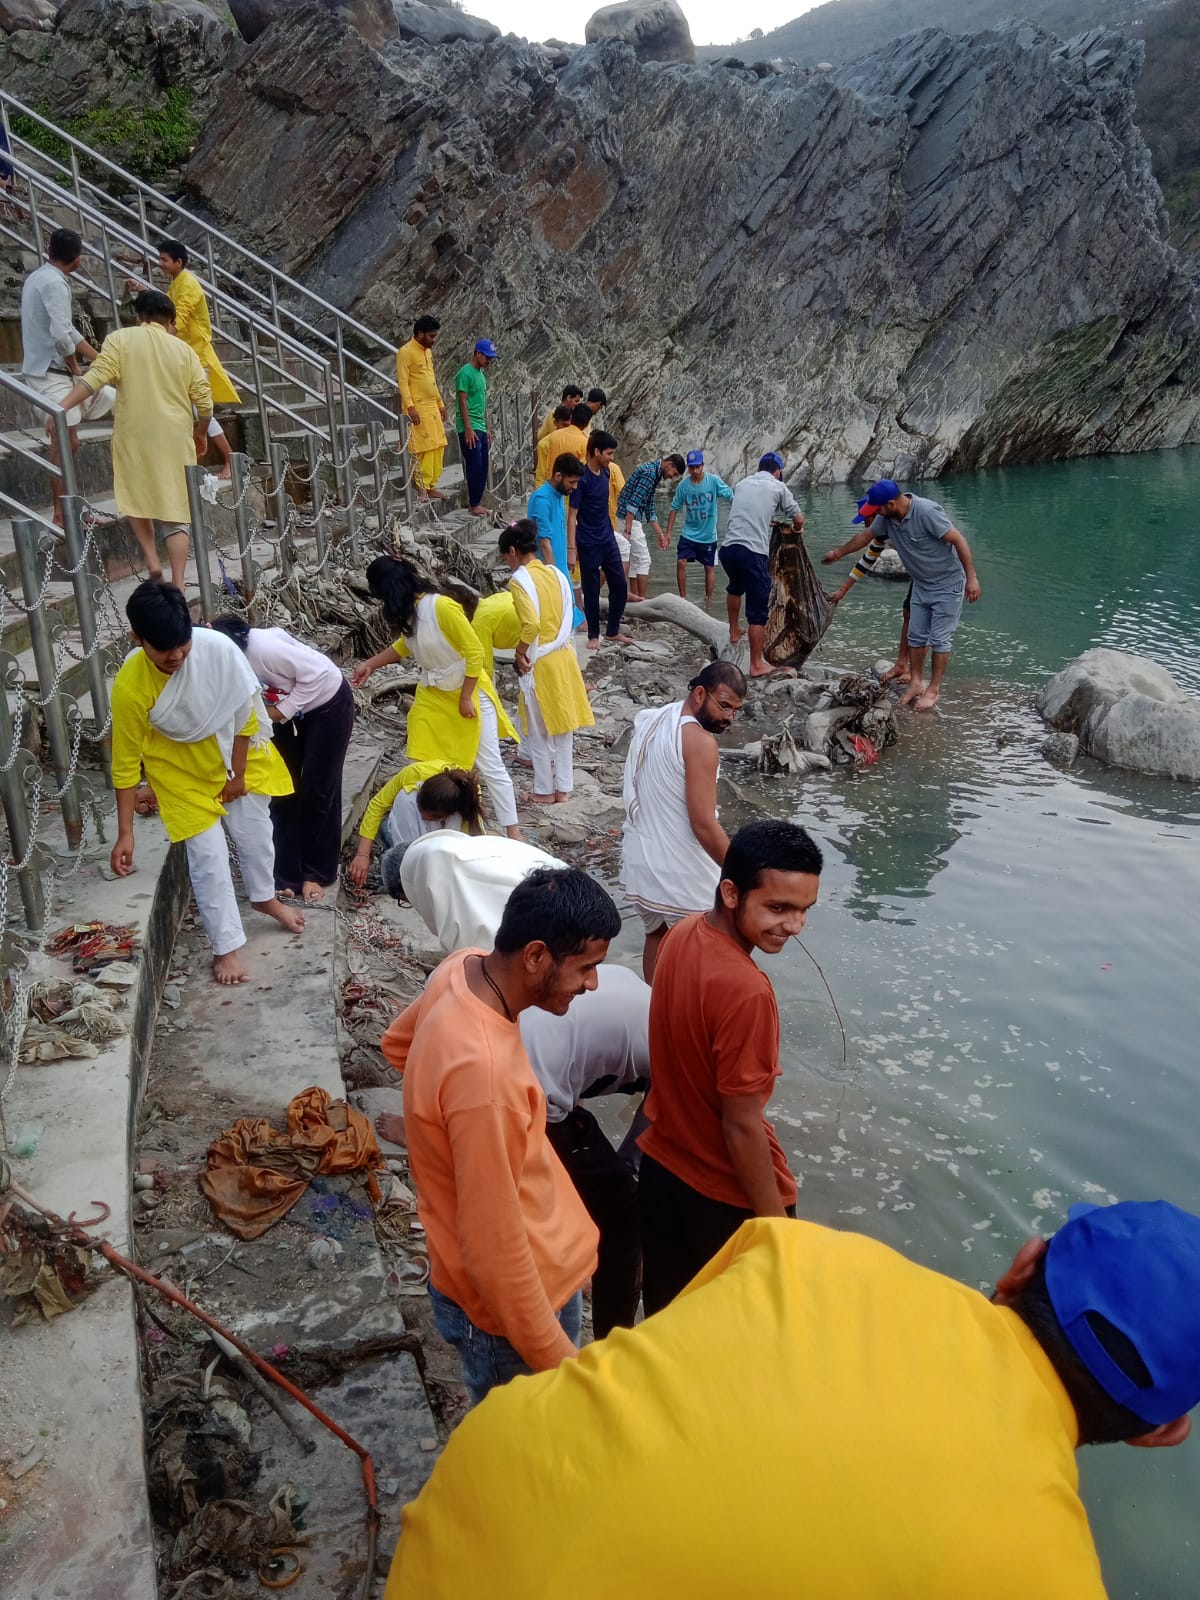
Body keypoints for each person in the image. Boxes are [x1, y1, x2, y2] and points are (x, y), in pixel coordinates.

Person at [382, 1199, 1200, 1600]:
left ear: (1023, 1264)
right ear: (1164, 1430)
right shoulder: (1053, 1576)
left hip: (462, 1521)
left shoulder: (799, 1250)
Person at [378, 867, 621, 1403]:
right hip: (510, 1313)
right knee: (526, 1451)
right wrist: (563, 1367)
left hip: (529, 1275)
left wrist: (442, 1137)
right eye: (586, 968)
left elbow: (398, 1044)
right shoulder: (483, 1079)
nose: (593, 985)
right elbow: (494, 1254)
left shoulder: (460, 969)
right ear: (536, 956)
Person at [638, 818, 822, 1314]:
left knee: (667, 1326)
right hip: (721, 1196)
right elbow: (741, 1126)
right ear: (732, 892)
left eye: (805, 910)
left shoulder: (678, 935)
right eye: (778, 907)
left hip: (661, 1170)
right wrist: (775, 1231)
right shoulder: (748, 991)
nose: (793, 926)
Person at [110, 581, 302, 986]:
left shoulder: (216, 649)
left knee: (257, 835)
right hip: (179, 773)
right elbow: (126, 764)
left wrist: (238, 776)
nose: (177, 656)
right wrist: (125, 833)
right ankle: (226, 946)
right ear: (137, 638)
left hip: (237, 755)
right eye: (164, 652)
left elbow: (246, 715)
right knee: (208, 859)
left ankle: (265, 898)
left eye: (183, 646)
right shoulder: (129, 686)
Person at [520, 964, 651, 1337]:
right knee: (624, 1211)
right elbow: (639, 1152)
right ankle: (614, 1339)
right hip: (532, 1089)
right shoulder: (685, 1053)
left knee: (590, 1168)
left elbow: (585, 1049)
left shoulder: (643, 995)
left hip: (518, 1042)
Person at [350, 555, 520, 838]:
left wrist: (466, 697)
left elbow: (474, 652)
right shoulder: (412, 612)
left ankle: (513, 833)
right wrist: (371, 663)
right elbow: (405, 645)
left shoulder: (441, 606)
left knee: (489, 763)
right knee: (428, 761)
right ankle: (439, 825)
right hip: (434, 695)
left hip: (469, 690)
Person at [57, 290, 211, 589]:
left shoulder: (120, 340)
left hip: (134, 435)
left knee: (136, 497)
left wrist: (60, 408)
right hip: (176, 436)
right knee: (176, 511)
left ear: (139, 316)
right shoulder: (184, 351)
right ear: (171, 320)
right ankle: (178, 584)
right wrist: (201, 432)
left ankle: (153, 561)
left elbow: (95, 378)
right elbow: (204, 403)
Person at [210, 616, 354, 905]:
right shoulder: (221, 663)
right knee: (283, 788)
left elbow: (319, 673)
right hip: (287, 712)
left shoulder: (262, 650)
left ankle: (317, 872)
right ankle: (285, 873)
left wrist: (281, 711)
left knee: (318, 788)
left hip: (328, 703)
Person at [620, 661, 746, 982]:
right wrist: (743, 874)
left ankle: (652, 1012)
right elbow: (703, 824)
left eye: (736, 710)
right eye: (724, 705)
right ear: (700, 693)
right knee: (709, 949)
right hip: (680, 874)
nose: (729, 717)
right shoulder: (701, 743)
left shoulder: (656, 719)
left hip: (641, 864)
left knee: (657, 936)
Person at [822, 479, 981, 710]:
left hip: (947, 583)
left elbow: (958, 539)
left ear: (890, 504)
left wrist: (972, 578)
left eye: (877, 510)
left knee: (939, 639)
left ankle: (933, 689)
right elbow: (865, 538)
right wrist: (838, 553)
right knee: (915, 636)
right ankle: (916, 682)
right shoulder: (887, 519)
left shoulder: (926, 512)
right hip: (920, 583)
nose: (875, 516)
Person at [499, 520, 594, 803]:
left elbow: (531, 625)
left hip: (541, 662)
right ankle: (563, 789)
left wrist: (519, 652)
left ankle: (543, 790)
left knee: (539, 732)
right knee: (563, 728)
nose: (507, 563)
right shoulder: (555, 574)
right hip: (564, 655)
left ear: (513, 551)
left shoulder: (519, 581)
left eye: (506, 557)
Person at [20, 227, 101, 527]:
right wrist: (77, 368)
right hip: (48, 372)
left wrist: (98, 358)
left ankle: (71, 507)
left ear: (48, 249)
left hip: (48, 370)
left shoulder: (40, 277)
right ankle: (60, 513)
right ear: (77, 260)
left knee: (72, 441)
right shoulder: (55, 284)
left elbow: (68, 330)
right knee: (64, 443)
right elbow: (62, 339)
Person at [720, 451, 805, 678]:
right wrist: (796, 531)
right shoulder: (778, 487)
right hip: (752, 553)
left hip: (728, 549)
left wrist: (770, 522)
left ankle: (734, 630)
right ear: (777, 471)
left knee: (735, 586)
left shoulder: (742, 483)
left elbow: (749, 512)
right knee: (757, 612)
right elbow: (798, 519)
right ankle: (756, 664)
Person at [348, 763, 482, 896]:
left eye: (433, 817)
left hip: (440, 835)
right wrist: (362, 854)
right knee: (406, 796)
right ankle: (405, 855)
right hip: (406, 822)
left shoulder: (467, 802)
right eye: (421, 810)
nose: (424, 817)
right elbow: (377, 806)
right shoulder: (412, 774)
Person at [823, 497, 912, 683]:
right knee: (908, 613)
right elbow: (866, 561)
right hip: (919, 574)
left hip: (933, 574)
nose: (865, 524)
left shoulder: (900, 524)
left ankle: (913, 672)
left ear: (878, 513)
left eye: (866, 519)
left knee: (919, 617)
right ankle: (904, 664)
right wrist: (842, 591)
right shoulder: (883, 533)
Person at [156, 240, 241, 413]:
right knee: (193, 407)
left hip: (196, 352)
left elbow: (180, 316)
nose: (160, 264)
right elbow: (167, 305)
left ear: (178, 262)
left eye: (164, 260)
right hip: (184, 351)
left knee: (199, 407)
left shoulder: (188, 283)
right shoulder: (177, 282)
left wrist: (161, 339)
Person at [568, 431, 630, 650]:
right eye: (609, 453)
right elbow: (572, 515)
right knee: (592, 590)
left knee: (620, 585)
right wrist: (571, 548)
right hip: (588, 541)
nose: (612, 457)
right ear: (596, 452)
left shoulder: (606, 472)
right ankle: (593, 634)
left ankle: (612, 631)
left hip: (607, 538)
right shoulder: (582, 479)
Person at [666, 449, 734, 605]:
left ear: (703, 465)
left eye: (697, 466)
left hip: (708, 535)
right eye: (691, 467)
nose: (695, 471)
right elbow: (674, 508)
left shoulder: (713, 481)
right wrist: (668, 533)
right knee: (681, 562)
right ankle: (683, 599)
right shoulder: (683, 486)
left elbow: (731, 496)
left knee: (709, 567)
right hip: (689, 533)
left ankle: (708, 601)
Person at [396, 313, 449, 500]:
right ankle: (421, 488)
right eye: (431, 336)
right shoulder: (405, 352)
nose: (434, 340)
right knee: (423, 448)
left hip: (432, 406)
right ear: (420, 334)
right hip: (417, 407)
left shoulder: (428, 352)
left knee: (439, 446)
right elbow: (403, 382)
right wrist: (410, 407)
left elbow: (431, 380)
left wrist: (441, 403)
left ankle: (431, 485)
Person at [528, 453, 584, 627]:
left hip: (559, 567)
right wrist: (553, 578)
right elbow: (544, 542)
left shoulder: (559, 496)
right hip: (549, 570)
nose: (574, 487)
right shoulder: (542, 499)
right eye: (571, 482)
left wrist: (570, 551)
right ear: (558, 476)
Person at [455, 337, 497, 516]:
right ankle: (474, 503)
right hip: (468, 426)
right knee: (475, 464)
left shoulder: (481, 375)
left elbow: (482, 402)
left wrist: (486, 426)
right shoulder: (465, 372)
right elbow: (462, 402)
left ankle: (477, 502)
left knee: (483, 465)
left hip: (479, 424)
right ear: (478, 354)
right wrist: (468, 428)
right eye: (487, 357)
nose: (489, 361)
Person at [617, 453, 685, 559]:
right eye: (674, 473)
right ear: (670, 465)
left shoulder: (655, 472)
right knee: (643, 559)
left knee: (631, 559)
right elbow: (633, 503)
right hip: (628, 519)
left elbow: (650, 507)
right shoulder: (650, 473)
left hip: (627, 518)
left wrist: (660, 534)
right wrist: (627, 531)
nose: (672, 478)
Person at [534, 401, 591, 486]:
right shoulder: (585, 443)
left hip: (550, 489)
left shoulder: (548, 440)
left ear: (572, 418)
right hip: (570, 493)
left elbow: (540, 476)